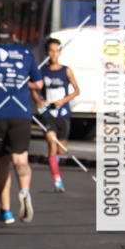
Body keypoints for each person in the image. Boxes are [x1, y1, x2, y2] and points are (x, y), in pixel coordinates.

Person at [0, 18, 43, 225]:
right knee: (21, 160)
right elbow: (38, 82)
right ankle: (24, 191)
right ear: (14, 35)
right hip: (21, 112)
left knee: (1, 163)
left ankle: (5, 211)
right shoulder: (27, 54)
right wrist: (24, 85)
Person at [32, 37, 80, 192]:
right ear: (47, 52)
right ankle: (57, 179)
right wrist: (38, 100)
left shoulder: (66, 70)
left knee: (61, 149)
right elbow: (33, 87)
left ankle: (56, 161)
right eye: (51, 51)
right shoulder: (41, 71)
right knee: (51, 142)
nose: (53, 54)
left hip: (63, 113)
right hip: (47, 113)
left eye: (56, 51)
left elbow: (77, 90)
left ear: (60, 52)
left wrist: (63, 100)